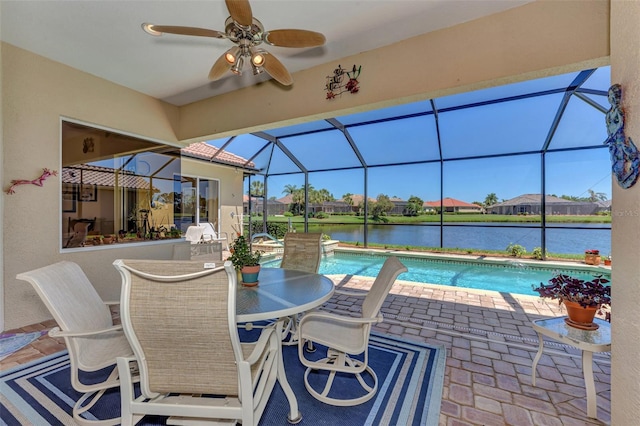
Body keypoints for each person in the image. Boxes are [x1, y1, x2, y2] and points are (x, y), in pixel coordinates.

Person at [604, 84, 639, 189]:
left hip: (618, 138)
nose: (612, 98)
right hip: (612, 141)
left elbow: (620, 124)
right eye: (610, 95)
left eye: (615, 95)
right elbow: (608, 127)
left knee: (621, 156)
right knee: (615, 160)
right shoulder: (608, 114)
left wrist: (613, 134)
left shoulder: (619, 109)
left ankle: (635, 161)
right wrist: (609, 137)